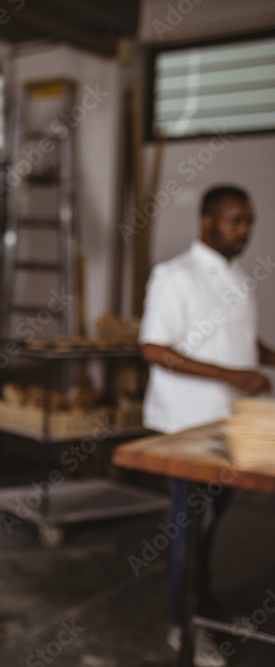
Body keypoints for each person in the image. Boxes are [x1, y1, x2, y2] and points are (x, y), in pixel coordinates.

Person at [139, 184, 275, 667]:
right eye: (235, 221)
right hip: (188, 427)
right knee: (189, 523)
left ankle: (204, 602)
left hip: (229, 425)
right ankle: (184, 625)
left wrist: (264, 359)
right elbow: (154, 347)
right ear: (206, 221)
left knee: (212, 525)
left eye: (249, 222)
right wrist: (233, 376)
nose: (245, 232)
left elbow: (241, 341)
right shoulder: (175, 276)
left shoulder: (237, 278)